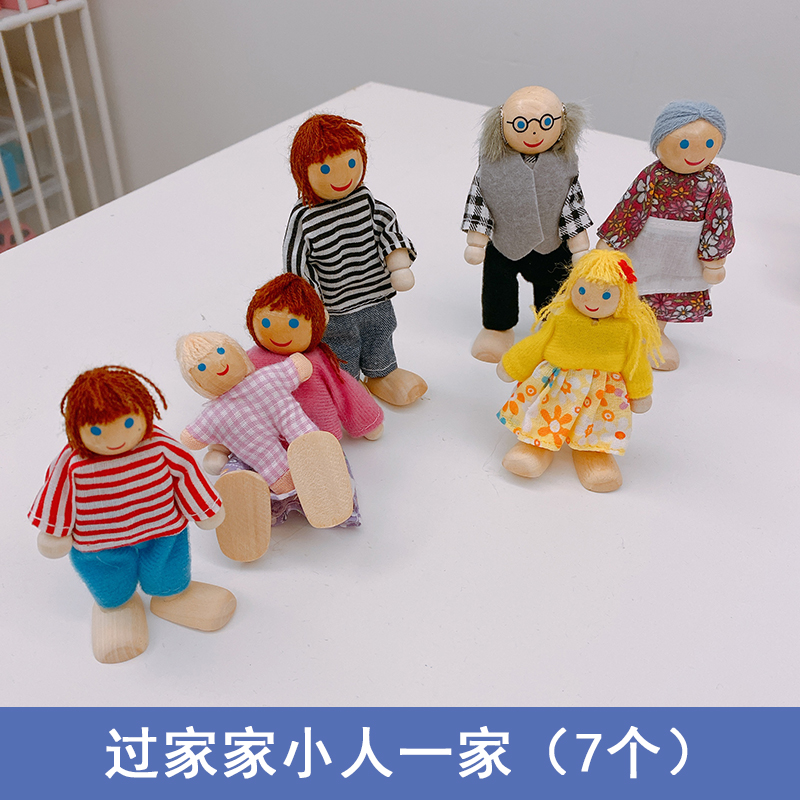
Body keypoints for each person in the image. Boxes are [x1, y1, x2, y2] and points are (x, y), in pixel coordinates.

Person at [28, 365, 233, 663]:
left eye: (127, 423)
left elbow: (186, 472)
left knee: (169, 566)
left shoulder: (159, 445)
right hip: (100, 542)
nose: (116, 439)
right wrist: (54, 533)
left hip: (162, 530)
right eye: (96, 431)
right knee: (109, 581)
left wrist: (204, 509)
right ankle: (117, 608)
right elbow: (57, 493)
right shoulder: (73, 461)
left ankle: (172, 595)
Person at [283, 114, 426, 406]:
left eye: (351, 163)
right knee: (341, 347)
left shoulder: (365, 200)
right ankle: (345, 384)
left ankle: (382, 373)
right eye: (325, 169)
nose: (341, 178)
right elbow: (297, 263)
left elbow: (388, 227)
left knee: (381, 333)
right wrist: (312, 304)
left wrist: (398, 263)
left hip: (375, 295)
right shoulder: (304, 217)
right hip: (336, 305)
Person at [496, 250, 661, 492]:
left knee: (596, 426)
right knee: (545, 415)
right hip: (558, 387)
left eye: (606, 295)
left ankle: (593, 454)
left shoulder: (626, 330)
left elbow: (635, 363)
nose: (591, 302)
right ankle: (535, 445)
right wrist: (513, 365)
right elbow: (537, 344)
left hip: (601, 394)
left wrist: (640, 393)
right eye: (582, 290)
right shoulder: (562, 317)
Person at [596, 100, 734, 370]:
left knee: (666, 298)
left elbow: (719, 217)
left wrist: (714, 258)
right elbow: (631, 207)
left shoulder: (713, 179)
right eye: (684, 144)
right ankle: (615, 331)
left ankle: (654, 335)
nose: (695, 153)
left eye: (708, 144)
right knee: (630, 290)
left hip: (684, 255)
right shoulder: (653, 175)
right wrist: (610, 242)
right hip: (645, 247)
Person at [462, 86, 592, 362]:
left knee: (555, 290)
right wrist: (476, 240)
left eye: (545, 123)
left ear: (563, 123)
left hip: (552, 245)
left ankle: (553, 327)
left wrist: (579, 244)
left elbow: (572, 203)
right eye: (521, 125)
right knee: (498, 288)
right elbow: (480, 199)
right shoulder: (491, 163)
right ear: (501, 124)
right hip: (505, 244)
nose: (533, 133)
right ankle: (497, 329)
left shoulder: (565, 163)